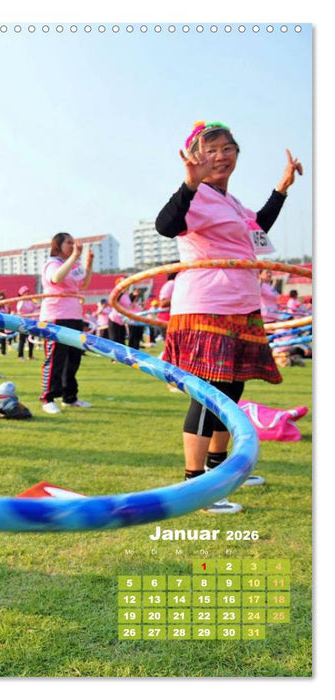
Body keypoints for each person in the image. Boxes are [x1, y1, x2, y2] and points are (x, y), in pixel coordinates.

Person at [155, 121, 302, 513]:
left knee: (231, 390)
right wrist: (188, 184)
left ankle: (219, 467)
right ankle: (197, 485)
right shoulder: (197, 195)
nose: (221, 156)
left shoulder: (230, 201)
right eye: (211, 150)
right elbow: (165, 225)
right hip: (207, 305)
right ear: (195, 158)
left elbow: (258, 231)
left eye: (227, 148)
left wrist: (282, 188)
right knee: (208, 395)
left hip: (240, 305)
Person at [38, 232, 94, 414]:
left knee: (73, 359)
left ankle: (69, 397)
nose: (72, 245)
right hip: (56, 316)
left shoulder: (75, 264)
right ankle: (48, 398)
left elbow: (83, 285)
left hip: (75, 316)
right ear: (58, 245)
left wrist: (88, 263)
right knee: (56, 358)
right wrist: (75, 256)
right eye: (68, 242)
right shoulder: (52, 263)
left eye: (73, 242)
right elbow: (56, 278)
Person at [15, 284, 37, 360]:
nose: (28, 293)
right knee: (22, 339)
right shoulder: (20, 302)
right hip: (22, 322)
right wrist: (23, 300)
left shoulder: (30, 301)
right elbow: (19, 308)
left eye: (28, 292)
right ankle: (20, 355)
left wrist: (35, 302)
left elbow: (36, 307)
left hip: (30, 322)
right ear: (22, 293)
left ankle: (30, 355)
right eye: (26, 292)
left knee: (31, 338)